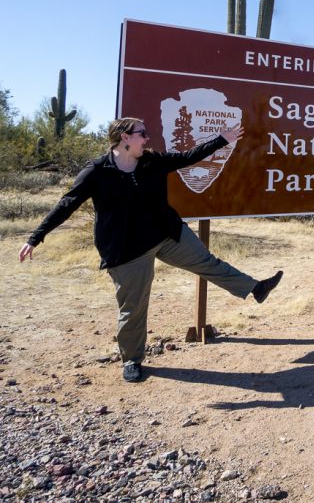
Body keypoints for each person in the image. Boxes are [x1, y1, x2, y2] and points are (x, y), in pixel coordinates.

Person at [19, 117, 283, 383]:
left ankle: (255, 288)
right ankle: (132, 360)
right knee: (133, 307)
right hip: (127, 249)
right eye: (141, 133)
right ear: (124, 137)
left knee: (207, 262)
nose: (147, 138)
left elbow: (188, 157)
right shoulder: (97, 171)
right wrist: (35, 237)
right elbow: (67, 203)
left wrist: (222, 139)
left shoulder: (151, 160)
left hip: (166, 234)